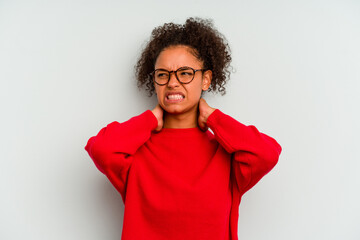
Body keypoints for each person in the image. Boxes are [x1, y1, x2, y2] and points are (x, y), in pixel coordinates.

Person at [85, 17, 282, 240]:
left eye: (185, 73)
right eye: (162, 75)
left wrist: (214, 118)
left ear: (206, 79)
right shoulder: (135, 153)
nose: (172, 82)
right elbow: (102, 149)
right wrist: (150, 119)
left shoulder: (227, 155)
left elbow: (266, 154)